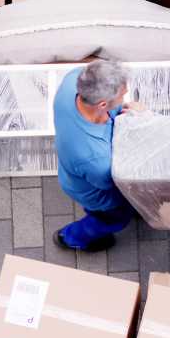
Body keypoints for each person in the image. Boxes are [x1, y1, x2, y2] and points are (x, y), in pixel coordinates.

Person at [52, 56, 141, 252]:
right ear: (102, 105)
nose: (125, 97)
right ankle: (72, 238)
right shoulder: (97, 160)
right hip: (99, 196)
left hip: (73, 172)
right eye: (122, 96)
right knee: (112, 219)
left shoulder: (73, 81)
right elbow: (116, 184)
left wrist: (126, 110)